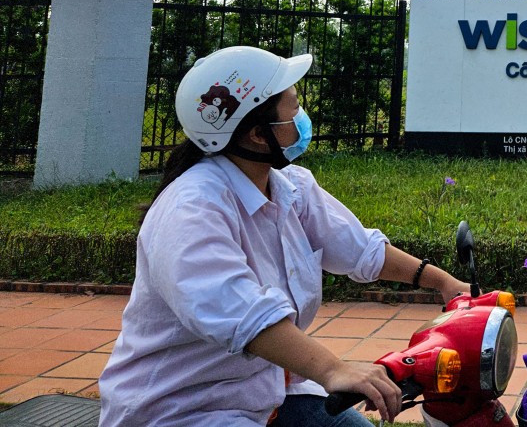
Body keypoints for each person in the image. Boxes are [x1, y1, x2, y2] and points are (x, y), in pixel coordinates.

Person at [99, 46, 470, 426]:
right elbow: (242, 313)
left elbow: (359, 248)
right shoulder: (191, 209)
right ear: (259, 134)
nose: (303, 117)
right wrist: (333, 370)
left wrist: (444, 282)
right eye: (294, 108)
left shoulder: (289, 187)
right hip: (184, 409)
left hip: (270, 389)